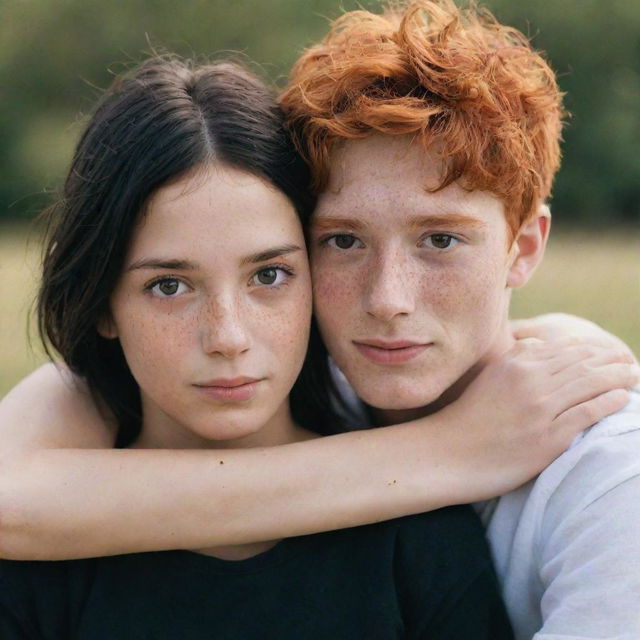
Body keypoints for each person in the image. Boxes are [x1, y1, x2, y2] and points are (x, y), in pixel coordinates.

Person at [0, 0, 638, 636]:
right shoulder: (317, 380)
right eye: (343, 241)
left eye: (441, 240)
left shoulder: (614, 486)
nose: (388, 299)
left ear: (523, 247)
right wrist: (450, 451)